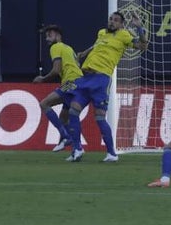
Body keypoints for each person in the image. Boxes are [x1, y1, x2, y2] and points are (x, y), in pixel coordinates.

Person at [64, 11, 149, 163]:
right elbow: (97, 45)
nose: (112, 22)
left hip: (101, 79)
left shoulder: (124, 35)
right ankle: (77, 149)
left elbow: (142, 46)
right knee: (73, 111)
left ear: (122, 24)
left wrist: (139, 28)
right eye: (111, 19)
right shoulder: (102, 33)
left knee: (99, 117)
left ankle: (111, 153)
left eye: (116, 20)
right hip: (86, 77)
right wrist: (85, 52)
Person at [33, 24, 84, 159]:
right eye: (46, 36)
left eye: (50, 35)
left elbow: (56, 70)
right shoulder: (68, 48)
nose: (47, 38)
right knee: (65, 117)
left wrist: (42, 79)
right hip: (80, 82)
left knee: (44, 103)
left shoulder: (56, 47)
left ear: (58, 36)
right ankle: (76, 149)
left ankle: (66, 138)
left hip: (71, 82)